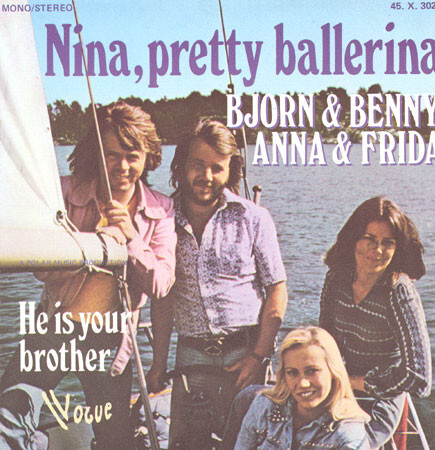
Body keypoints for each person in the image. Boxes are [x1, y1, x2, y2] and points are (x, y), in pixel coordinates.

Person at [0, 101, 176, 449]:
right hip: (53, 330)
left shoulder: (162, 209)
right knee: (8, 415)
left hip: (111, 341)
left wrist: (130, 238)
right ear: (96, 153)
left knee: (114, 439)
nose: (122, 166)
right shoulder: (63, 194)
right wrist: (95, 244)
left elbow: (161, 283)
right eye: (112, 155)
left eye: (132, 156)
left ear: (148, 156)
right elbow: (41, 269)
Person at [146, 119, 288, 448]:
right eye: (198, 165)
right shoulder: (163, 220)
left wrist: (258, 356)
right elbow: (162, 299)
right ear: (180, 166)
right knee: (185, 443)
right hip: (190, 355)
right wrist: (158, 364)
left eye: (217, 168)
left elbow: (276, 289)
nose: (207, 176)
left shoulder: (254, 218)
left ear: (230, 171)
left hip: (246, 351)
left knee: (245, 441)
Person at [319, 196, 432, 448]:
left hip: (381, 399)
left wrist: (353, 381)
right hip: (337, 386)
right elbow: (324, 340)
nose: (377, 250)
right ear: (353, 238)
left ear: (397, 248)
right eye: (369, 238)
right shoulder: (336, 278)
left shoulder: (398, 291)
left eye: (387, 243)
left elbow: (419, 378)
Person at [235, 327, 370, 449]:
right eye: (292, 372)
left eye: (312, 371)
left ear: (333, 372)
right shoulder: (264, 407)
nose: (302, 384)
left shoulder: (350, 434)